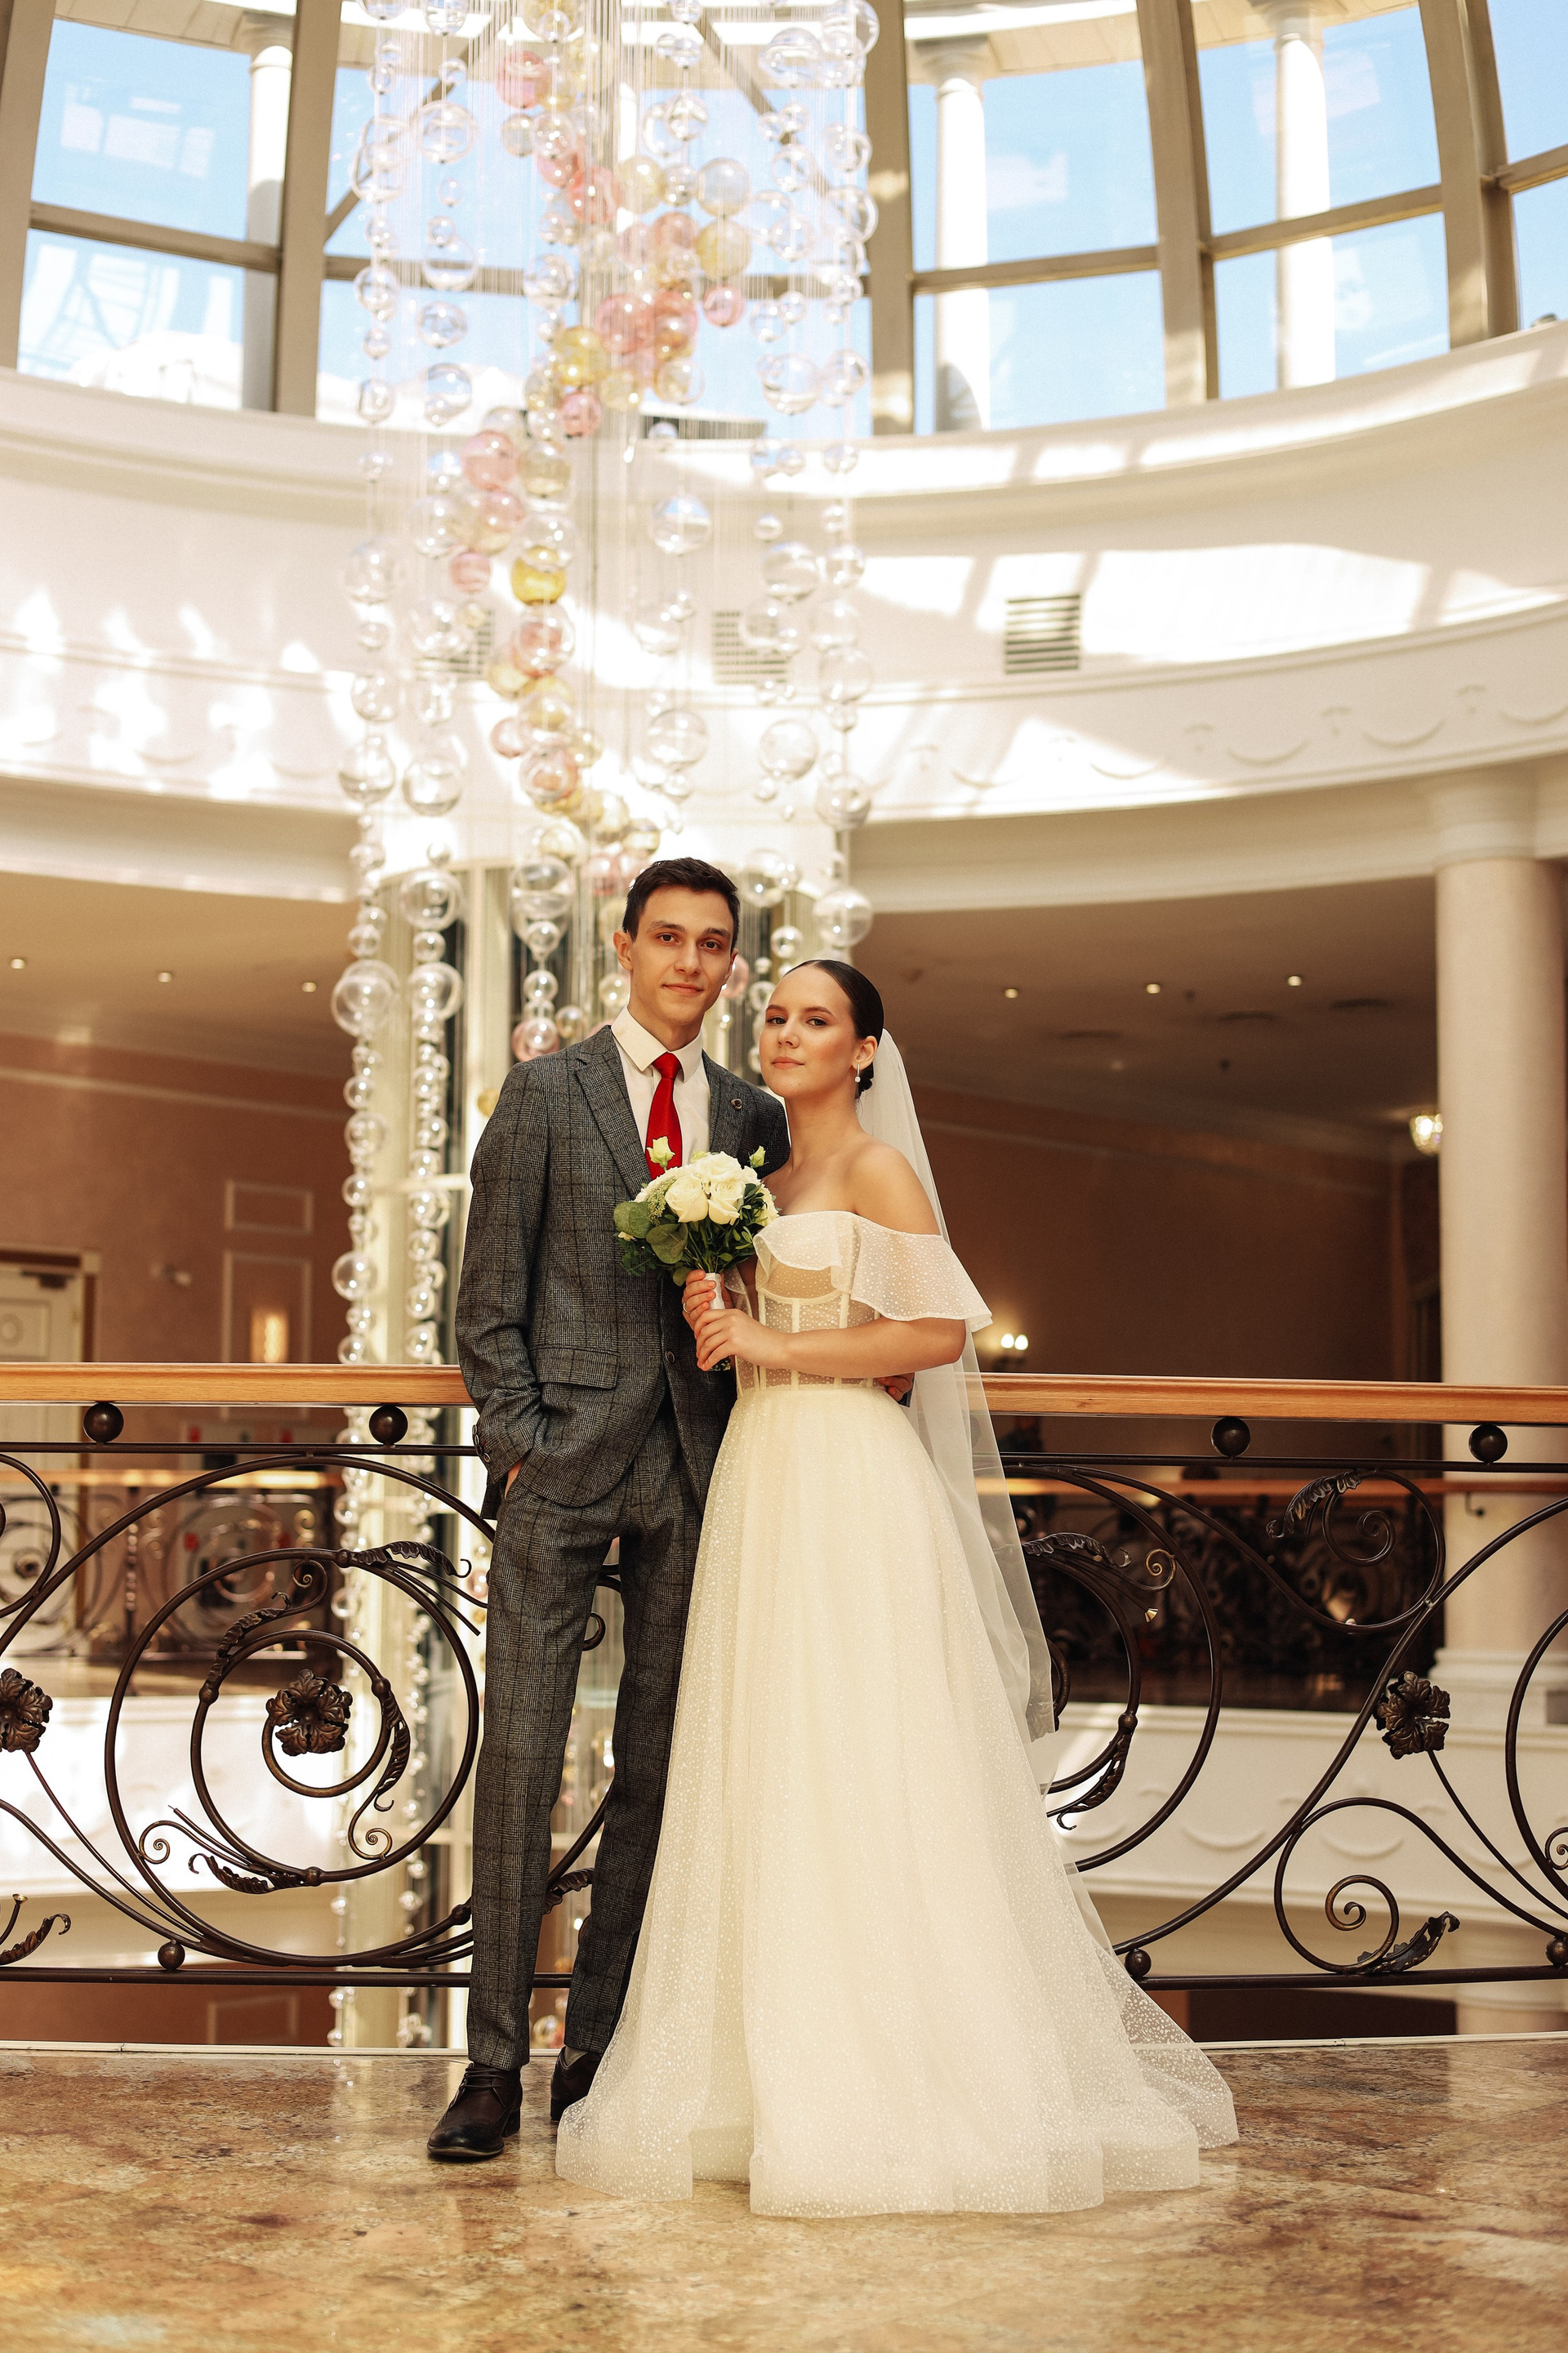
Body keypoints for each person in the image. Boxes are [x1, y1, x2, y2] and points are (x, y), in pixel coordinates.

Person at [555, 960, 1238, 2217]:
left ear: (865, 1049)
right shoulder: (757, 1180)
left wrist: (774, 1338)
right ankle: (746, 2081)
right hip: (762, 1466)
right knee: (769, 1750)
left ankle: (897, 2081)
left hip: (848, 1473)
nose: (788, 1033)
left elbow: (934, 1335)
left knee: (866, 1748)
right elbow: (748, 1338)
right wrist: (717, 1306)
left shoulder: (877, 1170)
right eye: (777, 1015)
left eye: (816, 1019)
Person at [427, 858, 790, 2161]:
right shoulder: (544, 1091)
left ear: (731, 962)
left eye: (713, 943)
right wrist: (522, 1445)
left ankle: (595, 2056)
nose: (690, 962)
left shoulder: (752, 1113)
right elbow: (486, 1299)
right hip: (562, 1465)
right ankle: (489, 2067)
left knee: (658, 1769)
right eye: (668, 938)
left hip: (701, 1467)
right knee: (521, 1763)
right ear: (623, 947)